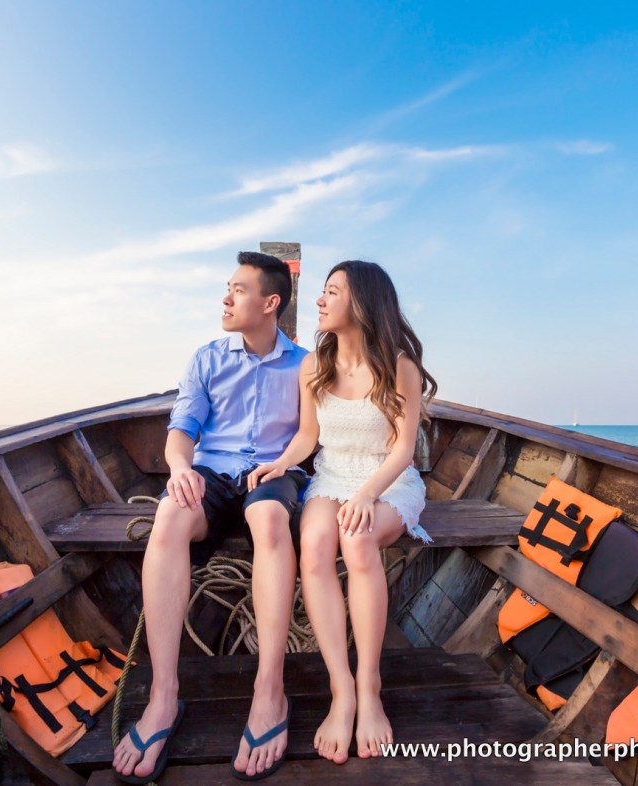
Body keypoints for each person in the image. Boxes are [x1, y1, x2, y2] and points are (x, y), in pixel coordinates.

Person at [113, 251, 308, 783]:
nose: (225, 298)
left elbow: (314, 435)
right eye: (227, 288)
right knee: (170, 518)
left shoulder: (305, 364)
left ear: (270, 303)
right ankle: (163, 695)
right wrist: (178, 469)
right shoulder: (205, 358)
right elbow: (182, 430)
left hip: (272, 475)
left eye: (238, 290)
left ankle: (270, 690)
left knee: (269, 522)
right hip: (211, 477)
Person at [248, 259, 437, 764]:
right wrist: (279, 464)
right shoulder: (315, 365)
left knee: (355, 540)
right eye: (324, 291)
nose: (319, 299)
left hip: (388, 479)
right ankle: (342, 689)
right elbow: (308, 438)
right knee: (313, 543)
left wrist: (368, 495)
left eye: (332, 291)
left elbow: (401, 450)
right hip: (331, 475)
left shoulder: (399, 367)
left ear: (362, 302)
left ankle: (370, 687)